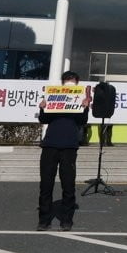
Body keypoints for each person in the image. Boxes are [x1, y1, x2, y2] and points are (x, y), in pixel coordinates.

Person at [37, 70, 91, 231]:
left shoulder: (79, 99)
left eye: (72, 81)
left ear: (77, 83)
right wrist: (43, 108)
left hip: (69, 146)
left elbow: (82, 121)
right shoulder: (53, 96)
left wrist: (85, 107)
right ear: (62, 83)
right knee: (46, 184)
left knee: (68, 185)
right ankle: (44, 220)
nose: (69, 83)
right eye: (67, 81)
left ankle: (66, 219)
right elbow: (44, 119)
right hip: (50, 145)